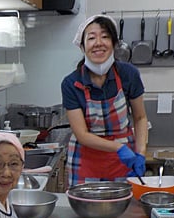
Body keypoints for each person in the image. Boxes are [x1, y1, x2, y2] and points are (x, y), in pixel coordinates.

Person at [61, 14, 149, 186]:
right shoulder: (71, 83)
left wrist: (141, 153)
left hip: (123, 161)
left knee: (124, 209)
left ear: (114, 44)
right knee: (85, 209)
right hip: (86, 159)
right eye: (92, 38)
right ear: (82, 46)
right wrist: (118, 148)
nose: (98, 43)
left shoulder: (128, 74)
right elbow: (82, 135)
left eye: (105, 37)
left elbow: (140, 118)